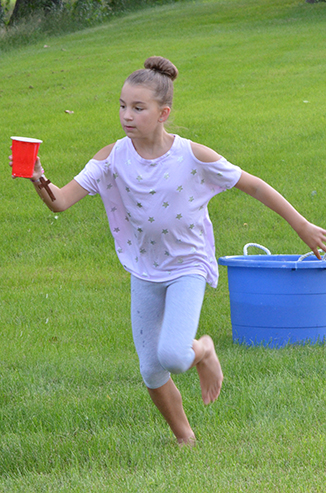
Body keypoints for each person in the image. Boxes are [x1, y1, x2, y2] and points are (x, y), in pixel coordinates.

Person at [10, 56, 326, 446]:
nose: (127, 115)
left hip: (187, 266)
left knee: (175, 355)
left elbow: (254, 185)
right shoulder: (112, 157)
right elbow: (59, 202)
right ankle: (185, 439)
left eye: (138, 108)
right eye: (123, 106)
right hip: (145, 269)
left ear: (163, 113)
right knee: (151, 370)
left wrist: (302, 225)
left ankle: (205, 350)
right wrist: (38, 179)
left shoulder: (192, 156)